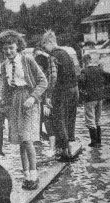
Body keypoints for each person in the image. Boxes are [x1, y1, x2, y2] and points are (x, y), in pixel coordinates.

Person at [0, 30, 47, 190]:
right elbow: (5, 87)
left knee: (27, 139)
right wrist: (2, 102)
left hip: (28, 99)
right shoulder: (4, 66)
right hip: (14, 102)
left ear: (17, 47)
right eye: (5, 49)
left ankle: (34, 173)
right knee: (20, 140)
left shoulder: (27, 60)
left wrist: (33, 98)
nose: (8, 51)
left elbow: (43, 81)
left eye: (11, 48)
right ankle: (25, 174)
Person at [41, 30, 79, 159]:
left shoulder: (53, 55)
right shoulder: (66, 53)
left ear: (50, 42)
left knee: (59, 119)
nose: (44, 49)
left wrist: (48, 95)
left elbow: (53, 76)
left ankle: (65, 151)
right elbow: (76, 71)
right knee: (70, 118)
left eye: (44, 45)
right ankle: (70, 145)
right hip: (74, 89)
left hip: (62, 91)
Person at [79, 54, 110, 147]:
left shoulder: (84, 71)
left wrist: (83, 91)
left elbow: (81, 82)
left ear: (84, 61)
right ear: (91, 60)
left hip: (90, 98)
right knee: (98, 119)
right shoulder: (99, 69)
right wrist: (104, 88)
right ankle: (99, 141)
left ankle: (93, 142)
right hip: (100, 97)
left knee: (90, 119)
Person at [33, 47, 57, 157]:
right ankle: (38, 150)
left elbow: (48, 89)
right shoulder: (36, 74)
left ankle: (52, 149)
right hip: (38, 103)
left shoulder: (46, 75)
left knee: (48, 124)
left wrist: (47, 104)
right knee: (37, 127)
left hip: (45, 103)